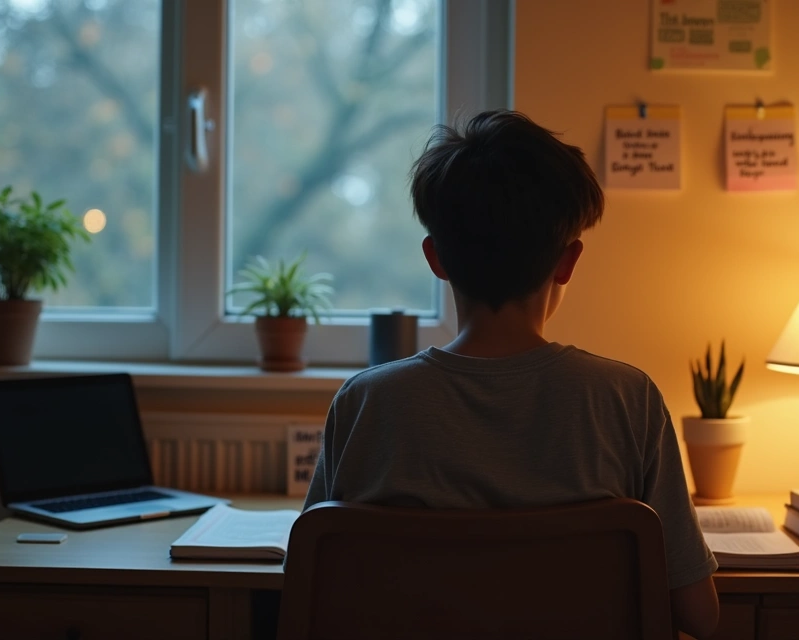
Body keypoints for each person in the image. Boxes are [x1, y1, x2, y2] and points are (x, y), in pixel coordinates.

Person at [302, 110, 719, 638]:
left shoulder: (368, 403)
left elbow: (311, 588)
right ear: (568, 262)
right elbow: (699, 617)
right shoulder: (626, 400)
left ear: (436, 258)